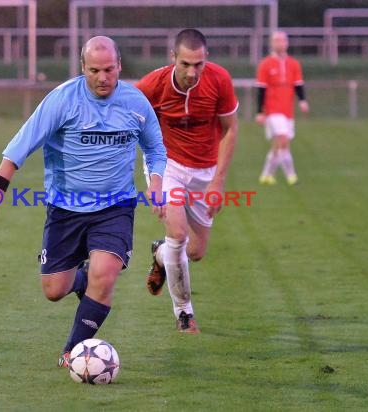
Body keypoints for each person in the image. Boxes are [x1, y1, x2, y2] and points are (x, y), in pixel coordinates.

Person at [0, 36, 167, 367]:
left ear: (119, 65)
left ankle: (73, 351)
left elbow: (155, 148)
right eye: (94, 70)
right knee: (53, 290)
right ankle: (83, 277)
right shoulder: (63, 99)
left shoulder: (135, 103)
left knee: (105, 276)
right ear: (82, 68)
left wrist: (157, 185)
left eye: (109, 69)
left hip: (115, 207)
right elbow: (24, 141)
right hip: (65, 209)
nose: (103, 77)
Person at [135, 29, 239, 334]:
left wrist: (218, 181)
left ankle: (160, 253)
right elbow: (131, 129)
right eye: (185, 64)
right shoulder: (151, 86)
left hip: (205, 172)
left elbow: (231, 129)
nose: (192, 72)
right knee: (178, 233)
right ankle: (184, 313)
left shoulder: (219, 80)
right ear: (172, 59)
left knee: (195, 251)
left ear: (206, 60)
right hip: (168, 166)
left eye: (198, 64)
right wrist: (155, 183)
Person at [256, 30, 309, 186]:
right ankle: (291, 176)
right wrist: (259, 111)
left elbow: (298, 84)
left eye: (283, 40)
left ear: (287, 43)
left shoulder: (294, 64)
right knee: (283, 140)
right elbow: (261, 89)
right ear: (272, 44)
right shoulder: (265, 64)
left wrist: (303, 100)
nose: (280, 43)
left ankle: (266, 175)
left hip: (288, 111)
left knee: (278, 144)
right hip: (272, 110)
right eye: (277, 40)